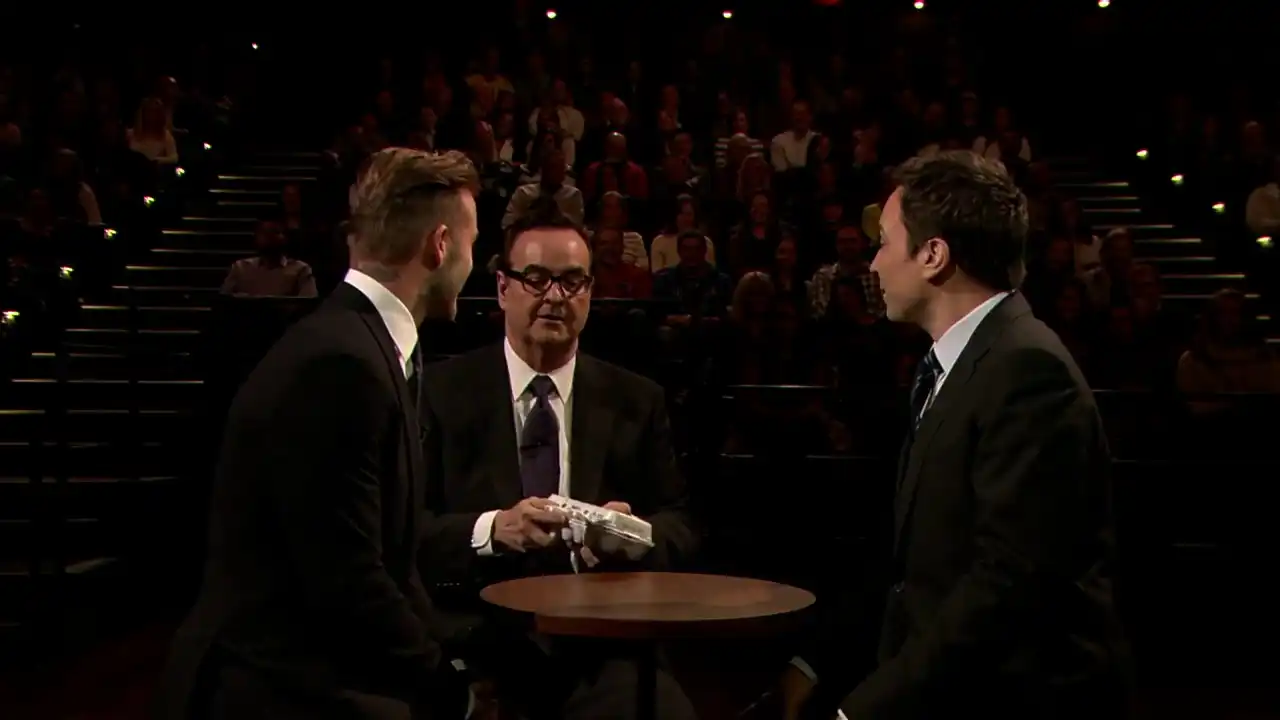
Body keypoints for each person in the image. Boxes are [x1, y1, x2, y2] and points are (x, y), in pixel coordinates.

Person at [787, 151, 1129, 719]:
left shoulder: (1027, 371)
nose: (873, 263)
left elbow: (1007, 586)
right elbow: (916, 561)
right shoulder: (959, 364)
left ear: (933, 255)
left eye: (885, 243)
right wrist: (820, 661)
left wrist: (862, 711)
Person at [157, 148, 480, 719]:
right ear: (440, 245)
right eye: (473, 242)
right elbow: (347, 577)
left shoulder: (358, 344)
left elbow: (389, 563)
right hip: (273, 689)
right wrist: (451, 688)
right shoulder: (340, 364)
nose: (473, 260)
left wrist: (453, 662)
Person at [417, 197, 699, 720]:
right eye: (537, 279)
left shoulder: (636, 399)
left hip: (600, 641)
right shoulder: (438, 393)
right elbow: (407, 531)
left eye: (572, 281)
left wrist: (632, 536)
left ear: (589, 291)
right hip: (475, 640)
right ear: (503, 288)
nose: (555, 297)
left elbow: (680, 526)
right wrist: (492, 529)